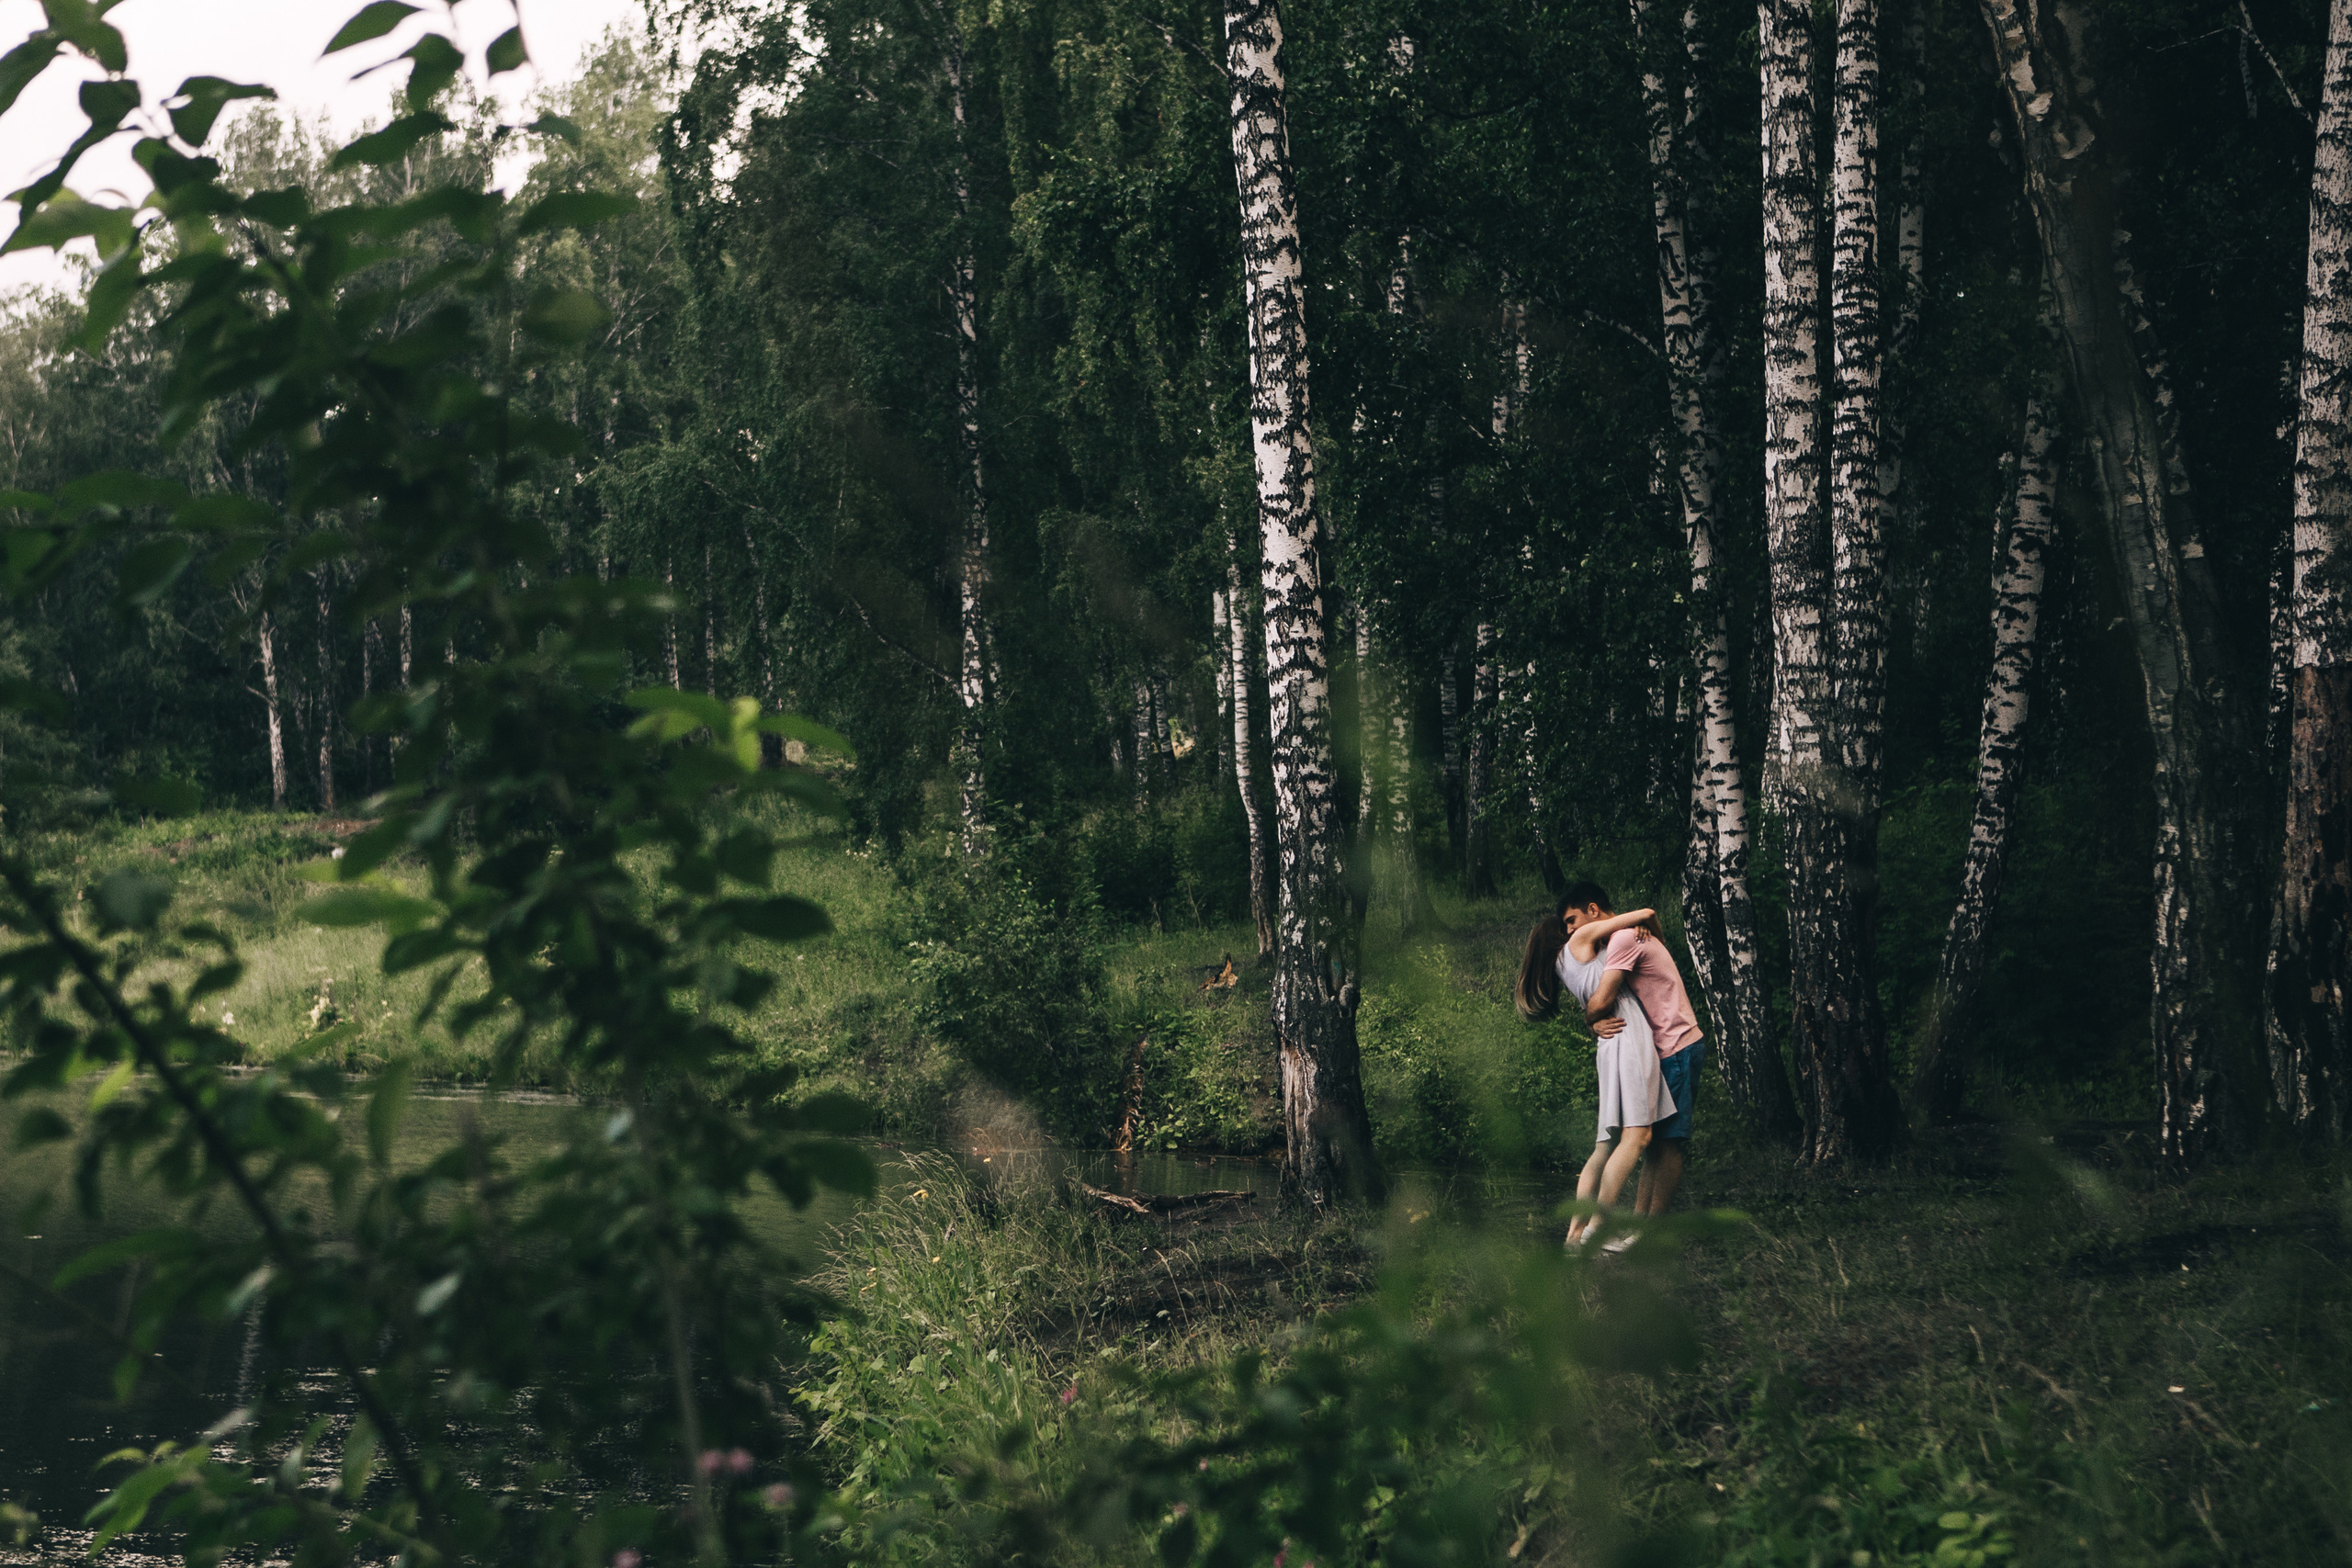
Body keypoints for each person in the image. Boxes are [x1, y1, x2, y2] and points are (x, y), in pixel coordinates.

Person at [1516, 897, 1674, 1251]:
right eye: (1567, 924)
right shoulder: (1579, 941)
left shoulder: (1562, 963)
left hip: (1607, 1045)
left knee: (1603, 1147)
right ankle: (1597, 1230)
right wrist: (1641, 927)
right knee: (1638, 1137)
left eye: (1572, 921)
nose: (1572, 927)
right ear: (1560, 934)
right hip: (1628, 1035)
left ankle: (1574, 1235)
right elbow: (1644, 913)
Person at [1558, 880, 1706, 1231]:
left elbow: (1601, 1001)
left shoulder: (1623, 939)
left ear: (1593, 910)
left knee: (1668, 1145)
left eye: (1571, 920)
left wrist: (1592, 1020)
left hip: (1676, 1043)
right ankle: (1640, 1228)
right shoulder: (1624, 936)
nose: (1570, 931)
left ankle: (1648, 1232)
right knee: (1652, 1145)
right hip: (1663, 1046)